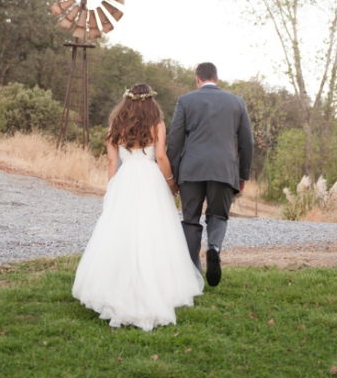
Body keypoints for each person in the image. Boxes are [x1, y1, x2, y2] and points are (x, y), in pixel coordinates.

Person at [72, 83, 204, 331]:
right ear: (151, 102)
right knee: (154, 231)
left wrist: (112, 188)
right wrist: (171, 182)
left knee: (120, 232)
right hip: (150, 179)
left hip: (125, 179)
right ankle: (160, 287)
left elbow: (113, 160)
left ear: (126, 101)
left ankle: (116, 284)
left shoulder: (116, 125)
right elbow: (162, 157)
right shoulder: (157, 125)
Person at [167, 62, 254, 287]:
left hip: (191, 170)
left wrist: (173, 175)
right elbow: (247, 142)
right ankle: (214, 247)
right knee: (218, 216)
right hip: (224, 170)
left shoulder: (185, 101)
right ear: (216, 78)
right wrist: (242, 175)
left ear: (198, 79)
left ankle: (193, 272)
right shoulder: (237, 102)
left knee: (190, 220)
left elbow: (175, 140)